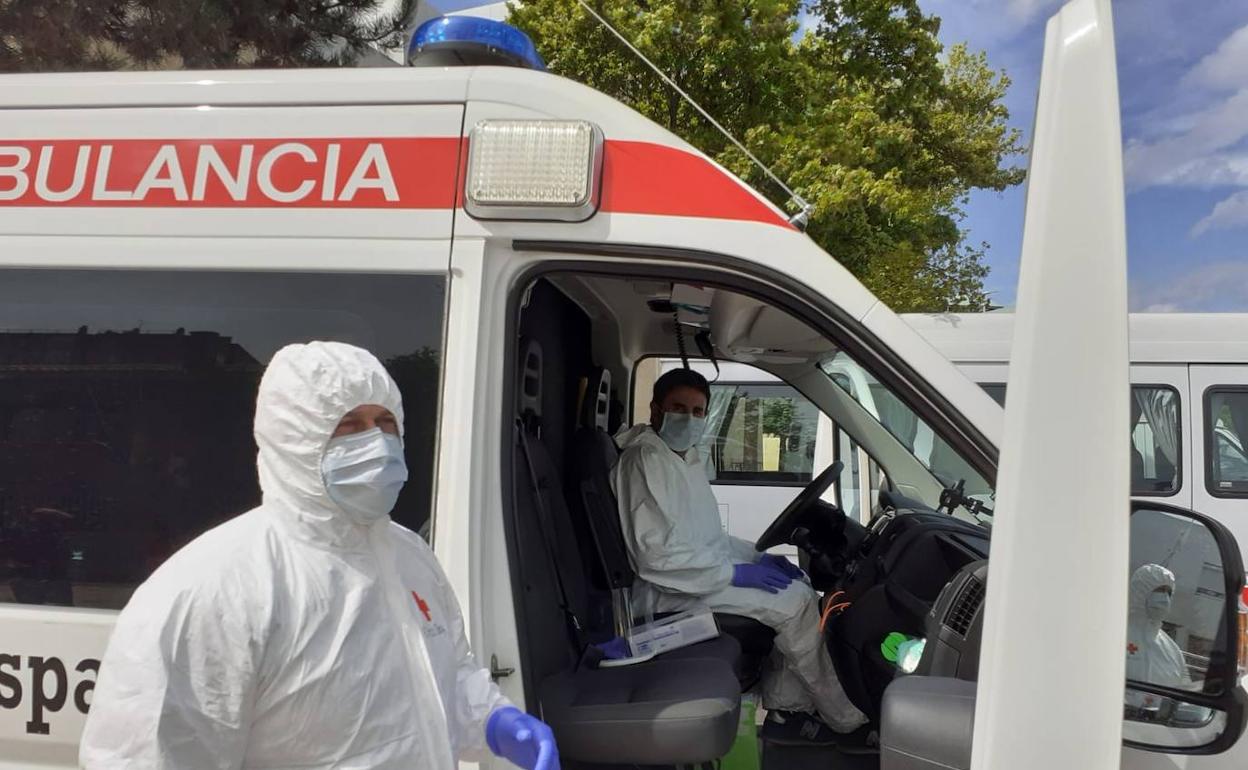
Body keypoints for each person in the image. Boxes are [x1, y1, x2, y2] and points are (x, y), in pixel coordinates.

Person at [80, 341, 559, 770]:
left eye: (385, 423)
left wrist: (496, 721)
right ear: (293, 440)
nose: (376, 442)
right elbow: (145, 756)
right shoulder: (212, 589)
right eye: (348, 426)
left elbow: (443, 677)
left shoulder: (408, 556)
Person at [612, 368, 867, 735]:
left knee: (799, 591)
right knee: (794, 603)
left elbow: (710, 537)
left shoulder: (683, 458)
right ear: (655, 410)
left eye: (698, 412)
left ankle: (786, 709)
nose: (689, 419)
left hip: (698, 575)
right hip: (667, 592)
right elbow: (655, 558)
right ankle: (845, 719)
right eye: (678, 408)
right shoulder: (645, 462)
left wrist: (756, 557)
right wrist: (734, 573)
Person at [1125, 563, 1193, 712]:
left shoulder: (1173, 651)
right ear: (1140, 592)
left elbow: (1185, 694)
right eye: (1159, 590)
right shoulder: (1116, 635)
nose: (1165, 598)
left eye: (1169, 593)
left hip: (1155, 730)